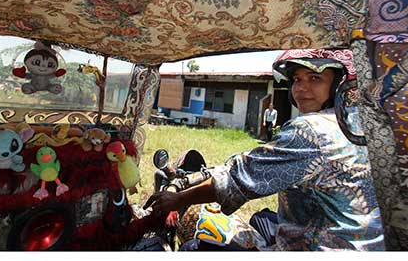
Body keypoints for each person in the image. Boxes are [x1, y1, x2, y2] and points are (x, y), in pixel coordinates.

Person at [145, 49, 384, 251]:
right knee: (262, 220)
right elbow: (265, 161)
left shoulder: (310, 129)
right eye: (297, 80)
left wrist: (177, 199)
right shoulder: (360, 127)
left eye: (315, 78)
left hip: (316, 246)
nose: (302, 88)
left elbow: (238, 179)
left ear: (338, 86)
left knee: (196, 243)